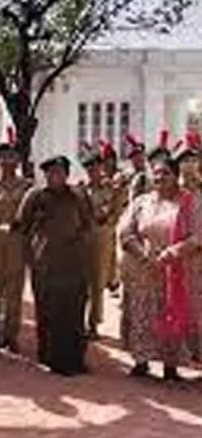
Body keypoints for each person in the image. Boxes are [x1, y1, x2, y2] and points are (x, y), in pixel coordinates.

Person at [118, 150, 201, 381]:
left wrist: (174, 252)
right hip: (143, 269)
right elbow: (125, 231)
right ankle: (141, 361)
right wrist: (141, 253)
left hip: (176, 270)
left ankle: (170, 366)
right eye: (155, 174)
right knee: (143, 313)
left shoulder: (189, 202)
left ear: (176, 176)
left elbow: (197, 236)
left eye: (165, 173)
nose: (159, 178)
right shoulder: (142, 202)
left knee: (169, 313)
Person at [17, 155, 93, 376]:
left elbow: (88, 224)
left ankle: (74, 358)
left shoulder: (78, 196)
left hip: (73, 263)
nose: (54, 177)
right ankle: (48, 357)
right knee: (47, 311)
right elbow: (22, 227)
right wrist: (30, 258)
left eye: (59, 172)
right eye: (49, 173)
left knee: (74, 312)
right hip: (45, 264)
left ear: (67, 175)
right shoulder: (35, 196)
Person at [0, 130, 31, 352]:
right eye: (3, 157)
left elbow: (31, 214)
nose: (7, 161)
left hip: (17, 240)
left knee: (14, 289)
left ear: (18, 160)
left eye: (11, 156)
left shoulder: (27, 186)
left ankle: (11, 335)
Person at [79, 144, 118, 340]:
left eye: (95, 167)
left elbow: (116, 210)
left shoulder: (111, 188)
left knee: (97, 283)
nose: (92, 171)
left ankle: (93, 323)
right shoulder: (80, 190)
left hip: (102, 237)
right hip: (84, 238)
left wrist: (107, 220)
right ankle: (79, 321)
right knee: (81, 281)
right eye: (89, 168)